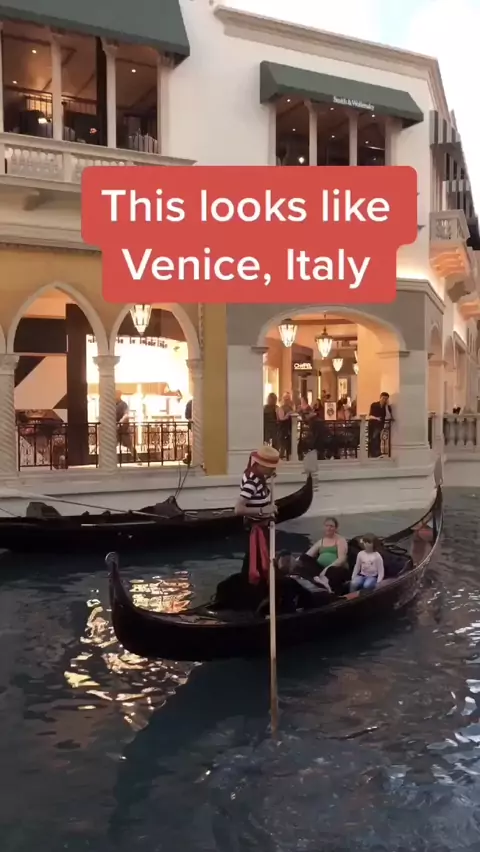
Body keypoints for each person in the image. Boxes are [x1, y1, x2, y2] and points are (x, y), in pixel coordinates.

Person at [212, 446, 279, 610]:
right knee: (256, 568)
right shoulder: (252, 481)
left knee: (255, 566)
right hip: (256, 531)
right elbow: (239, 509)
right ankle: (251, 603)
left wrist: (268, 507)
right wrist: (263, 510)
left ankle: (254, 599)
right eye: (271, 468)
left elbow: (258, 496)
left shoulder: (257, 474)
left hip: (261, 528)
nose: (274, 471)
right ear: (262, 465)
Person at [305, 517, 350, 594]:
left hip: (335, 568)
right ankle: (317, 582)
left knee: (334, 572)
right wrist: (297, 561)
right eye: (327, 526)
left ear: (336, 528)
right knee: (304, 559)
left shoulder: (340, 540)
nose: (328, 528)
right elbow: (308, 555)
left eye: (331, 526)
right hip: (321, 567)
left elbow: (341, 559)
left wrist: (327, 568)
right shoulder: (321, 541)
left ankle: (332, 591)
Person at [368, 392, 393, 458]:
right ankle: (374, 453)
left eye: (386, 399)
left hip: (380, 425)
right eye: (383, 398)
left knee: (377, 438)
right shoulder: (374, 405)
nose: (384, 400)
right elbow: (370, 415)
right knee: (374, 438)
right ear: (380, 397)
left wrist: (386, 407)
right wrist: (377, 418)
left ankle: (377, 453)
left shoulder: (387, 407)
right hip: (373, 424)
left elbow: (388, 417)